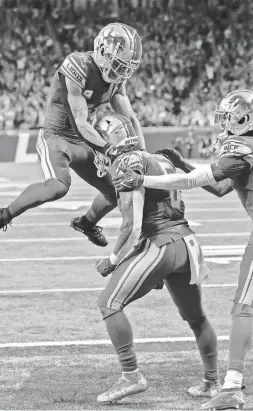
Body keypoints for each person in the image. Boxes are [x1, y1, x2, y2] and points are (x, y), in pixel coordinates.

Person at [113, 90, 253, 410]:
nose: (225, 122)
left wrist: (145, 180)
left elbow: (194, 182)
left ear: (246, 119)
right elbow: (222, 187)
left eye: (231, 116)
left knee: (243, 306)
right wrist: (183, 163)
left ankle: (232, 388)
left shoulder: (244, 145)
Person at [0, 23, 145, 247]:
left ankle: (86, 223)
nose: (119, 73)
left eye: (125, 68)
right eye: (117, 64)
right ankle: (0, 218)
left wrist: (143, 154)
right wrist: (107, 149)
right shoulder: (78, 65)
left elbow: (131, 118)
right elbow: (80, 122)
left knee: (117, 188)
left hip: (85, 142)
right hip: (57, 136)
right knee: (57, 186)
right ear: (103, 51)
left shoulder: (116, 81)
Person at [93, 114, 224, 403]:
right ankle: (212, 382)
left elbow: (132, 225)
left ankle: (131, 376)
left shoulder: (127, 162)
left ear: (112, 140)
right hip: (186, 243)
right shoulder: (156, 158)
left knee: (109, 303)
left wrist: (114, 260)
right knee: (197, 318)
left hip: (161, 242)